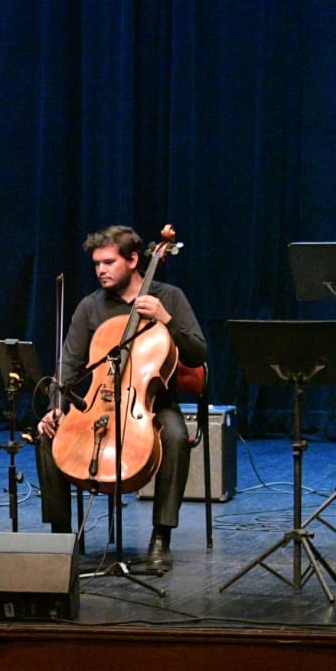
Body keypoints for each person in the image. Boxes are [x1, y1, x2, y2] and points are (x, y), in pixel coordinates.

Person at [35, 225, 208, 570]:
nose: (101, 270)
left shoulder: (169, 297)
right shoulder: (90, 307)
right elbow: (68, 364)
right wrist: (55, 408)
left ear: (132, 260)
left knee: (175, 437)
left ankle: (161, 537)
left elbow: (197, 353)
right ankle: (60, 539)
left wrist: (165, 319)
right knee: (48, 437)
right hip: (98, 405)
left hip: (154, 405)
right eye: (97, 264)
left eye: (108, 262)